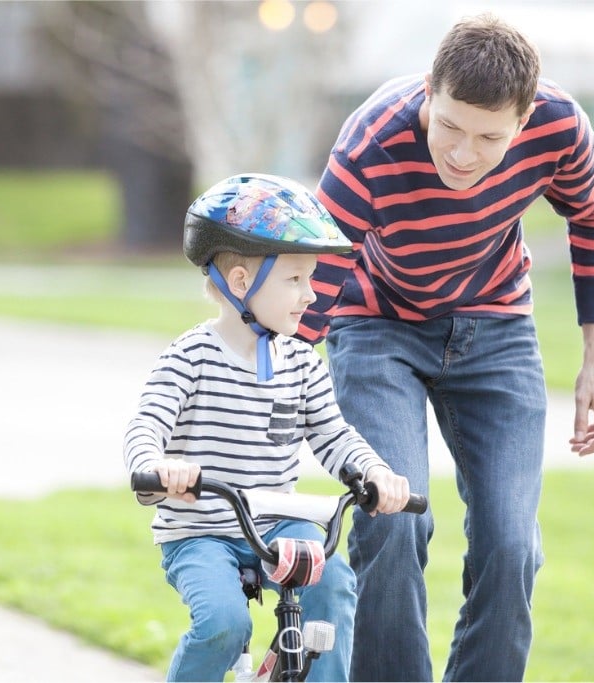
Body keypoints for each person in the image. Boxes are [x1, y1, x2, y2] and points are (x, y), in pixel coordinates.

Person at [296, 13, 594, 682]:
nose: (463, 154)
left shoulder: (560, 125)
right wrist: (272, 393)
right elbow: (316, 279)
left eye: (489, 137)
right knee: (393, 520)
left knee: (511, 546)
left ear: (525, 121)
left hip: (495, 327)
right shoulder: (372, 143)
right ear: (428, 91)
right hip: (377, 326)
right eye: (448, 125)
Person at [123, 173, 413, 682]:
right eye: (295, 279)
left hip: (278, 524)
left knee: (332, 584)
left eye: (312, 278)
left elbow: (333, 434)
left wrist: (373, 471)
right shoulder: (191, 357)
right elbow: (147, 424)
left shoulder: (301, 362)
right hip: (201, 531)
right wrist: (154, 464)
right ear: (241, 284)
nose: (310, 294)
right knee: (223, 623)